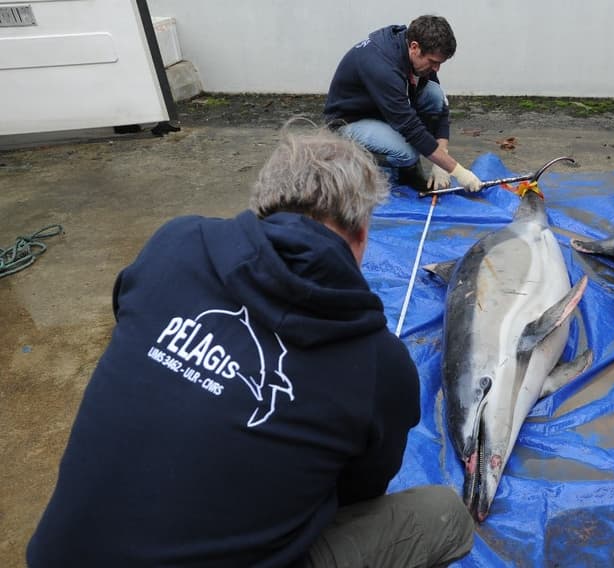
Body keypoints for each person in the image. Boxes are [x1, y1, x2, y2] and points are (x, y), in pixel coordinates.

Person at [27, 127, 474, 567]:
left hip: (56, 556)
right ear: (360, 233)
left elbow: (127, 314)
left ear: (263, 204)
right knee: (443, 515)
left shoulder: (174, 243)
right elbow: (358, 494)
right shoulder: (380, 363)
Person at [324, 14, 482, 193]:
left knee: (433, 93)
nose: (436, 69)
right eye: (433, 62)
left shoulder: (416, 51)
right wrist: (458, 171)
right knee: (407, 152)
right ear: (415, 47)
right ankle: (355, 158)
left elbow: (441, 107)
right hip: (349, 121)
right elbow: (410, 128)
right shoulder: (383, 67)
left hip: (382, 110)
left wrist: (442, 156)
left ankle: (397, 149)